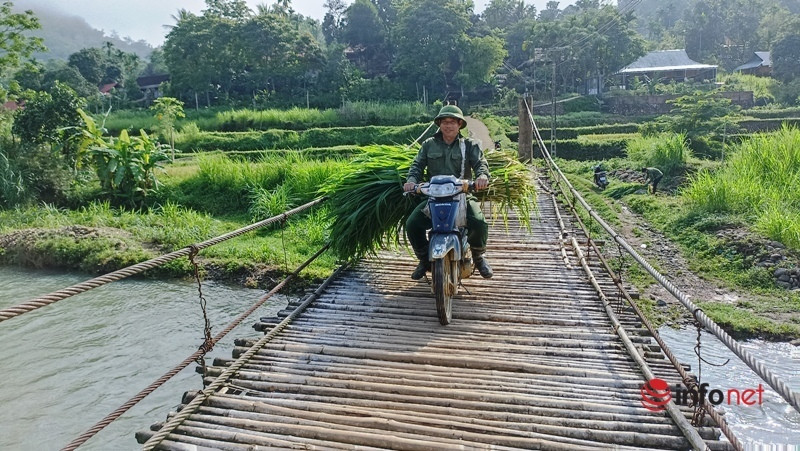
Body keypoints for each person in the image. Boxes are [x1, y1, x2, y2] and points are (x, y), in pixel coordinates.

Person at [403, 105, 493, 280]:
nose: (448, 125)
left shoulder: (469, 145)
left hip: (462, 195)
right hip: (434, 197)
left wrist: (482, 176)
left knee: (479, 222)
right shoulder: (429, 145)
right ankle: (424, 259)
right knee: (412, 224)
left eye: (452, 122)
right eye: (444, 122)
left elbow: (481, 164)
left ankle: (478, 256)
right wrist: (412, 181)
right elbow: (417, 166)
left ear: (460, 124)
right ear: (439, 124)